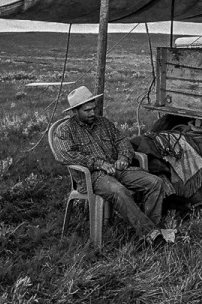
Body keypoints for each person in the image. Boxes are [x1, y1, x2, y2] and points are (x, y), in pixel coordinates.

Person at [55, 86, 171, 247]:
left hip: (118, 170)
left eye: (93, 109)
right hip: (93, 177)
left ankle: (149, 230)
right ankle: (151, 235)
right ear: (75, 111)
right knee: (119, 191)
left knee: (155, 182)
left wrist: (123, 157)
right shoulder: (65, 131)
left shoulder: (103, 123)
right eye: (87, 110)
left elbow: (122, 141)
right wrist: (99, 163)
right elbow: (67, 155)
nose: (92, 113)